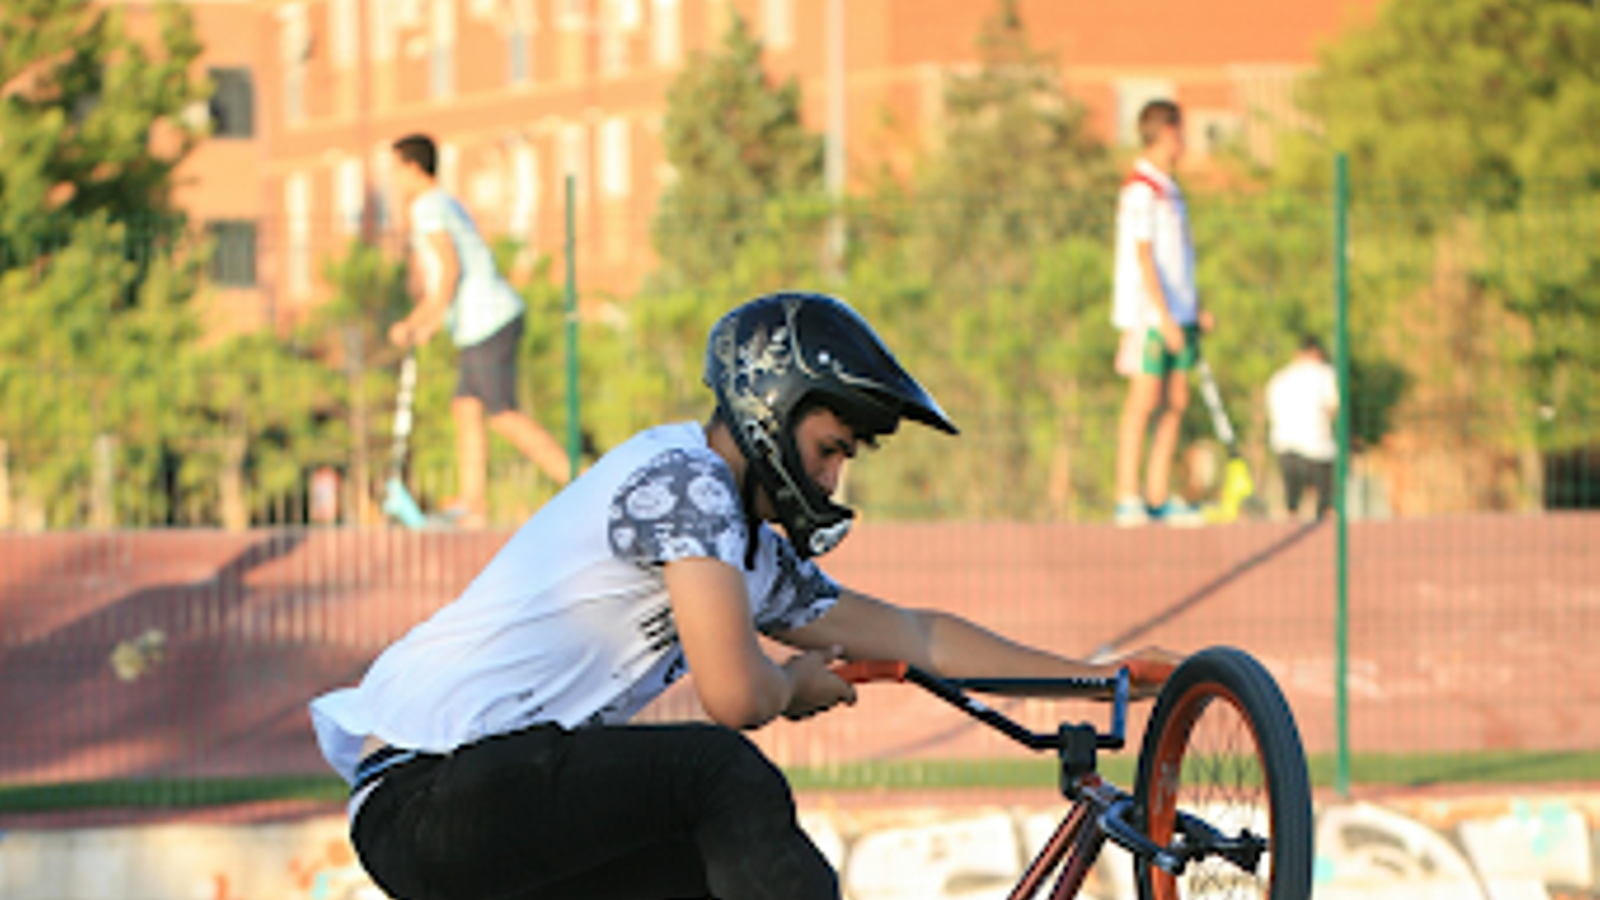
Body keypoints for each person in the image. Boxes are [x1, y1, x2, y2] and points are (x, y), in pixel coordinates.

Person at [311, 292, 1182, 900]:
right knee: (717, 776)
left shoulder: (744, 548)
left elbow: (916, 635)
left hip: (477, 810)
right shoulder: (686, 484)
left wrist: (1096, 676)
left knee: (720, 874)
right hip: (431, 795)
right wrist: (790, 684)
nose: (833, 479)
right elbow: (734, 697)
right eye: (830, 448)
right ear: (773, 410)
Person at [387, 133, 570, 529]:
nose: (394, 180)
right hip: (479, 324)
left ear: (414, 168)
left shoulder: (427, 207)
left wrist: (421, 321)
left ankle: (580, 481)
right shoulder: (446, 201)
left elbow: (449, 269)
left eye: (396, 170)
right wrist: (432, 320)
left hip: (489, 320)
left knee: (503, 414)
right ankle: (473, 503)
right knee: (466, 407)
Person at [1111, 100, 1214, 527]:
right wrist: (1164, 316)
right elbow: (1144, 256)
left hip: (1180, 313)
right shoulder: (1140, 190)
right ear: (1167, 134)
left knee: (1177, 400)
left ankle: (1156, 495)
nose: (1185, 142)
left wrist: (1194, 307)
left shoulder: (1170, 189)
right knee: (1144, 400)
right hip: (1151, 317)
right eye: (1181, 133)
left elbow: (1179, 257)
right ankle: (1127, 495)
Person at [1266, 335, 1339, 519]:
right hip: (1318, 445)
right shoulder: (1324, 373)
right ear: (1316, 353)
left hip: (1285, 444)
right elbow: (1333, 408)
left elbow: (1272, 410)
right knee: (1327, 505)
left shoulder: (1279, 377)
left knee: (1292, 506)